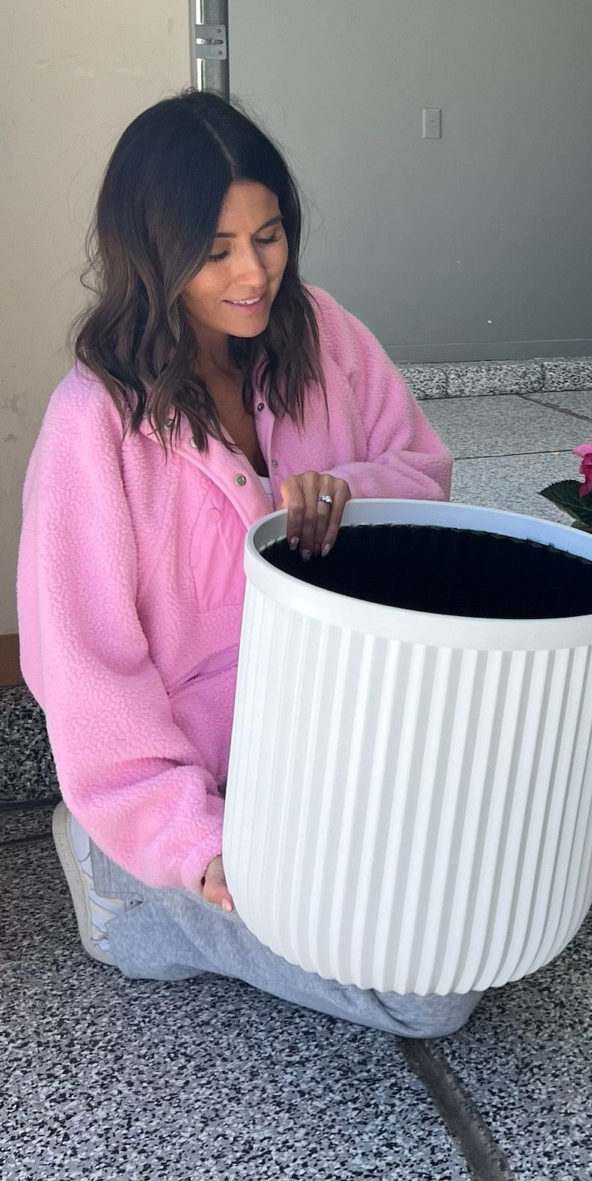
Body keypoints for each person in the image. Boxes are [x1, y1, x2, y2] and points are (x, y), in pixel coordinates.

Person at [17, 90, 480, 1036]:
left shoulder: (324, 332)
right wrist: (192, 837)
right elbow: (85, 667)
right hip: (204, 802)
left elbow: (423, 472)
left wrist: (344, 487)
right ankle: (127, 895)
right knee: (430, 995)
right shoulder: (93, 422)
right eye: (216, 250)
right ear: (152, 252)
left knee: (481, 910)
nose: (251, 274)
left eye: (267, 237)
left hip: (341, 758)